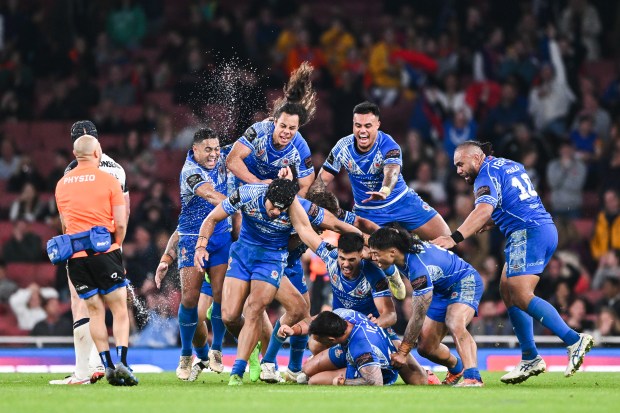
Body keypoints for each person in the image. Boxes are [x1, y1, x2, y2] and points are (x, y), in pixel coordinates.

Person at [432, 140, 594, 383]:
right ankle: (530, 357)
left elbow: (483, 209)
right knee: (507, 290)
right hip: (540, 228)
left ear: (476, 158)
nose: (458, 170)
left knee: (519, 292)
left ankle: (573, 339)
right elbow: (514, 200)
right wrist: (495, 220)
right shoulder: (509, 165)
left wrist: (454, 237)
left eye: (460, 164)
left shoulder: (484, 176)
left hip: (527, 233)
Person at [194, 177, 361, 385]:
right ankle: (255, 347)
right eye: (273, 207)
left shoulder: (294, 206)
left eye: (281, 209)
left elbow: (309, 231)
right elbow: (212, 218)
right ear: (267, 196)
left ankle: (247, 369)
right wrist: (201, 246)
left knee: (260, 308)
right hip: (243, 255)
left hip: (272, 260)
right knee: (229, 316)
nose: (276, 213)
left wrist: (331, 253)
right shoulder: (248, 194)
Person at [279, 221, 431, 386]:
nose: (345, 264)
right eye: (342, 258)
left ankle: (364, 367)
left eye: (351, 259)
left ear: (362, 254)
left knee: (417, 378)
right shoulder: (330, 257)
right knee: (314, 344)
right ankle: (348, 365)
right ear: (337, 253)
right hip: (339, 326)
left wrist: (378, 322)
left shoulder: (373, 275)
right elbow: (305, 230)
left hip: (371, 330)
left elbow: (391, 315)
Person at [257, 189, 382, 384]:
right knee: (299, 316)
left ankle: (293, 368)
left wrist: (374, 244)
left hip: (296, 266)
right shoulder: (293, 215)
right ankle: (269, 363)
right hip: (277, 261)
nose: (326, 228)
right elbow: (300, 235)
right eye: (323, 222)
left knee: (304, 313)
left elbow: (360, 223)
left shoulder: (333, 218)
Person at [49, 120, 130, 386]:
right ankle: (119, 364)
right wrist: (117, 244)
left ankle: (87, 369)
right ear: (98, 145)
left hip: (77, 251)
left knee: (84, 306)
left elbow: (64, 220)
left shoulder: (66, 176)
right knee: (117, 307)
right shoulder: (115, 171)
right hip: (107, 247)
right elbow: (123, 215)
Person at [310, 101, 450, 246]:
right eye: (358, 126)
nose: (362, 131)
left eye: (368, 126)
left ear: (378, 125)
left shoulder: (389, 144)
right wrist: (311, 204)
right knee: (363, 259)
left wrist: (385, 190)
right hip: (367, 212)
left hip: (402, 201)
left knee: (446, 238)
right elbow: (321, 180)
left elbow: (392, 172)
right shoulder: (342, 147)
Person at [154, 128, 231, 381]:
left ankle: (217, 349)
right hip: (191, 239)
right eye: (207, 149)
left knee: (221, 295)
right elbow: (210, 195)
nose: (213, 154)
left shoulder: (223, 158)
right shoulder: (190, 171)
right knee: (189, 299)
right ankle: (186, 354)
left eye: (216, 148)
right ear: (195, 150)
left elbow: (244, 150)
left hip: (220, 237)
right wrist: (242, 203)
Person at [368, 226, 484, 387]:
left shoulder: (418, 270)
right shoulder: (401, 249)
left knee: (454, 322)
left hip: (464, 280)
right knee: (426, 348)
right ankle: (458, 368)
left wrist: (402, 352)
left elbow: (418, 316)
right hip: (440, 289)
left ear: (392, 252)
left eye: (376, 254)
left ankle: (473, 377)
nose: (373, 258)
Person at [226, 61, 316, 197]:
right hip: (241, 178)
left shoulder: (300, 147)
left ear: (298, 128)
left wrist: (287, 205)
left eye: (292, 128)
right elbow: (232, 160)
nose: (286, 132)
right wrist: (258, 182)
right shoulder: (260, 130)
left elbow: (306, 186)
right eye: (283, 126)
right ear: (275, 122)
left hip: (268, 190)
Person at [300, 309, 423, 386]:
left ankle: (344, 371)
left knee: (314, 381)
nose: (316, 341)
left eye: (319, 339)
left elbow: (376, 382)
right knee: (307, 369)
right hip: (349, 349)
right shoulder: (342, 314)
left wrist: (345, 383)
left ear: (331, 340)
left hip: (375, 368)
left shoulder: (361, 347)